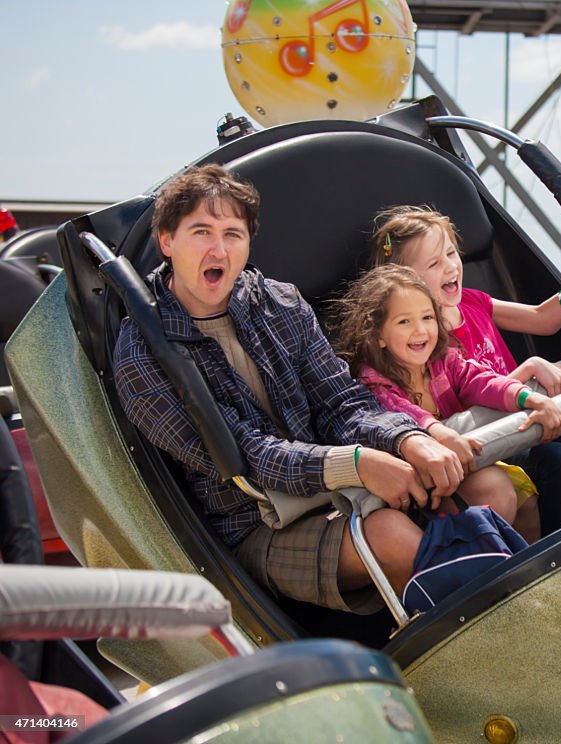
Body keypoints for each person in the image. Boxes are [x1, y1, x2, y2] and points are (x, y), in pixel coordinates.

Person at [113, 164, 466, 613]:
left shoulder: (280, 303)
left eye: (233, 234)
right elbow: (244, 458)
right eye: (201, 232)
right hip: (258, 520)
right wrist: (357, 464)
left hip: (336, 485)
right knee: (396, 541)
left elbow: (341, 401)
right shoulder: (144, 350)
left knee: (480, 488)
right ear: (167, 242)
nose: (218, 248)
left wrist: (409, 437)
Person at [366, 205, 561, 535]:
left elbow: (542, 319)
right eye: (434, 263)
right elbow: (468, 410)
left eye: (451, 253)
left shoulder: (472, 302)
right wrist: (526, 372)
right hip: (498, 440)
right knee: (560, 461)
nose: (450, 266)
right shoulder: (423, 338)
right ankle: (556, 550)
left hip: (528, 412)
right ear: (407, 282)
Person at [330, 265, 561, 543]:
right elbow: (403, 414)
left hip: (463, 466)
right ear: (379, 335)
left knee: (528, 498)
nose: (420, 330)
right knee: (500, 490)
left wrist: (529, 397)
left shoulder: (445, 362)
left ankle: (528, 569)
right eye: (404, 322)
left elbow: (482, 381)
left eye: (428, 317)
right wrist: (439, 432)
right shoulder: (372, 382)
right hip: (422, 490)